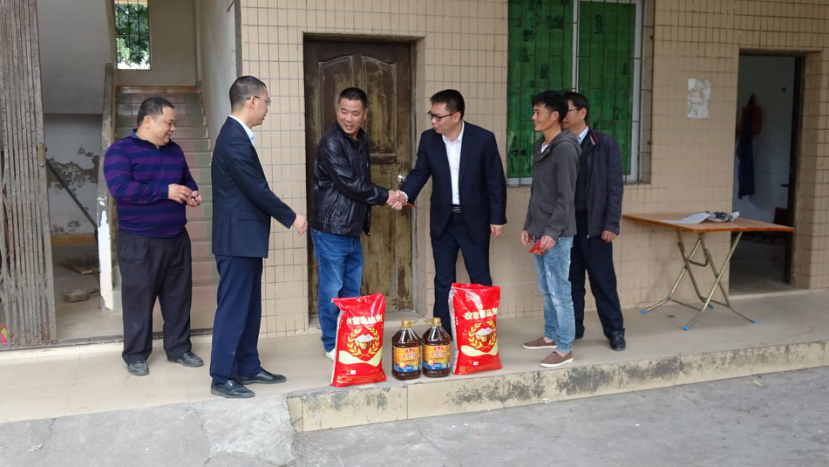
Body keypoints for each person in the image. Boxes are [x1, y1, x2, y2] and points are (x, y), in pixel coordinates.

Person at [210, 76, 308, 398]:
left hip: (245, 239)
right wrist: (291, 217)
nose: (267, 109)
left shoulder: (237, 136)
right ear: (252, 101)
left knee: (249, 307)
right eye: (266, 102)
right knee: (234, 308)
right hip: (236, 240)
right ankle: (222, 376)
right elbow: (256, 189)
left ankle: (247, 366)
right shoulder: (234, 139)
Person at [104, 96, 204, 376]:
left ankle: (179, 348)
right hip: (139, 241)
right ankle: (136, 354)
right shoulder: (120, 151)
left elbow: (186, 179)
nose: (173, 128)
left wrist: (191, 193)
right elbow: (121, 189)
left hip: (176, 238)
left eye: (174, 123)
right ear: (148, 121)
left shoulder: (175, 151)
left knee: (178, 298)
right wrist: (165, 191)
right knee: (138, 301)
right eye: (168, 123)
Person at [398, 89, 507, 338]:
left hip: (475, 220)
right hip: (443, 220)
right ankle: (442, 332)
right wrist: (404, 195)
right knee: (442, 279)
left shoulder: (483, 139)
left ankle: (482, 332)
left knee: (479, 277)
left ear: (456, 116)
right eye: (432, 115)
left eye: (438, 116)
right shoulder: (429, 139)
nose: (433, 121)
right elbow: (420, 172)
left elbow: (495, 182)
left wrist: (497, 218)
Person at [310, 87, 402, 361]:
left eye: (354, 113)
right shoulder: (331, 142)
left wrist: (386, 197)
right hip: (331, 228)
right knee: (331, 288)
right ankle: (331, 343)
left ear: (365, 114)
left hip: (352, 227)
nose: (348, 119)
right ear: (337, 110)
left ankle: (347, 336)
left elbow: (360, 182)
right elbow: (350, 184)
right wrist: (387, 196)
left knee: (351, 289)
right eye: (343, 112)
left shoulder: (361, 139)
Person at [562, 91, 626, 351]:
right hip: (567, 225)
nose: (561, 116)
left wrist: (611, 224)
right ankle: (574, 328)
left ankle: (615, 330)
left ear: (582, 113)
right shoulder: (559, 143)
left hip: (595, 225)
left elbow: (614, 187)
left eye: (566, 111)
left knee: (603, 281)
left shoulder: (604, 143)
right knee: (571, 282)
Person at [521, 90, 579, 368]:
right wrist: (529, 225)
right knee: (547, 289)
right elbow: (538, 191)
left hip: (557, 234)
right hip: (541, 229)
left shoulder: (565, 148)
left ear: (555, 116)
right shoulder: (542, 145)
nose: (533, 117)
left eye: (538, 112)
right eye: (533, 112)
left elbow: (566, 197)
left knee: (559, 291)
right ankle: (551, 336)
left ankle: (565, 347)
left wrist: (552, 233)